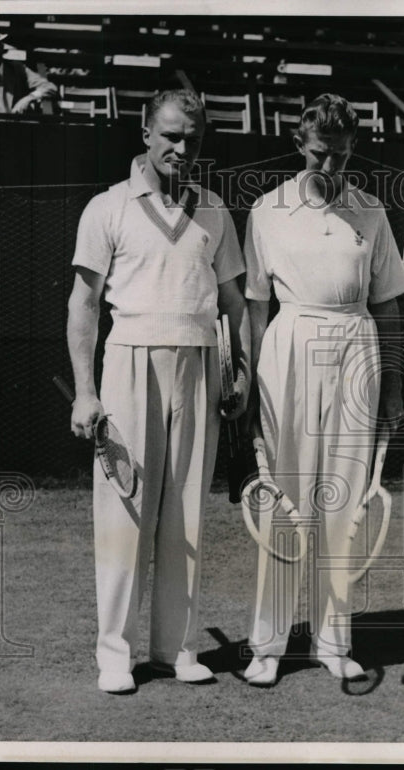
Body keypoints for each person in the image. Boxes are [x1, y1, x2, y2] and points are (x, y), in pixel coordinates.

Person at [66, 89, 250, 694]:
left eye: (192, 139)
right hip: (128, 364)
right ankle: (114, 654)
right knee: (124, 514)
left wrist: (237, 371)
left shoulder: (216, 211)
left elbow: (231, 306)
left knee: (187, 515)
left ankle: (178, 648)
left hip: (198, 364)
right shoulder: (107, 208)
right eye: (170, 135)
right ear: (146, 133)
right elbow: (85, 304)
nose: (180, 148)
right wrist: (85, 392)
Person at [242, 94, 404, 687]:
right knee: (287, 498)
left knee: (345, 499)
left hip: (358, 348)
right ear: (299, 144)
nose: (330, 168)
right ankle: (267, 645)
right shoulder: (266, 211)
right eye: (320, 155)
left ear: (352, 150)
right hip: (288, 352)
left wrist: (390, 384)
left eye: (340, 156)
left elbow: (388, 305)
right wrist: (249, 377)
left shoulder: (371, 212)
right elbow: (256, 306)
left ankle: (333, 641)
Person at [0, 22, 57, 116]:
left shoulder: (18, 69)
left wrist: (28, 98)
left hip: (17, 125)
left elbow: (49, 87)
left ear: (1, 46)